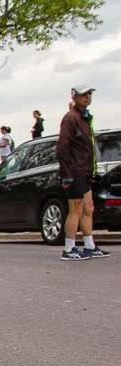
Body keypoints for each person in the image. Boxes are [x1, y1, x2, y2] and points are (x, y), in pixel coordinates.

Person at [55, 85, 110, 261]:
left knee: (89, 208)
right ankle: (69, 249)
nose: (88, 98)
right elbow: (62, 147)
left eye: (89, 94)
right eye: (84, 95)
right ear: (75, 97)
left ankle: (89, 246)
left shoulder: (84, 118)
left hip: (85, 170)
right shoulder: (70, 118)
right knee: (75, 210)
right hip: (75, 171)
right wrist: (67, 173)